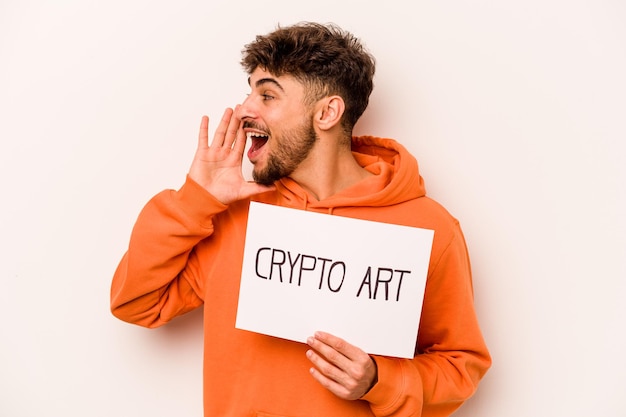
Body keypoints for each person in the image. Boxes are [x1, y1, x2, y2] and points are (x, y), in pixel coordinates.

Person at [110, 21, 491, 416]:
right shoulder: (234, 217)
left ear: (327, 112)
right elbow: (136, 303)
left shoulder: (429, 228)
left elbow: (460, 366)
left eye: (268, 95)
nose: (244, 110)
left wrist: (379, 380)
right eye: (248, 92)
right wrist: (195, 200)